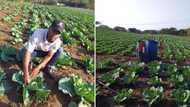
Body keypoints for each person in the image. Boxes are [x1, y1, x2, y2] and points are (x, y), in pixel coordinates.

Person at [19, 20, 64, 84]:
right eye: (53, 31)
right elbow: (28, 51)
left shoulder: (58, 42)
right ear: (49, 28)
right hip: (35, 51)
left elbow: (49, 56)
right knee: (22, 54)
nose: (54, 34)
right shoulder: (38, 33)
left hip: (45, 52)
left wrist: (38, 67)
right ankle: (29, 64)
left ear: (60, 34)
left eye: (57, 33)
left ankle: (48, 67)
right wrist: (26, 73)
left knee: (60, 50)